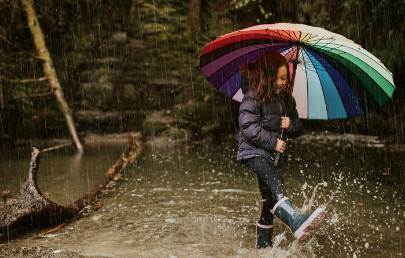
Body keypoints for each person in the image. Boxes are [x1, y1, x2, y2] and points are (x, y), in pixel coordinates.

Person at [237, 52, 326, 249]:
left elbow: (298, 128)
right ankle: (295, 220)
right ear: (267, 76)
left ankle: (263, 246)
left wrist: (290, 125)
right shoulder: (253, 96)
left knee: (269, 200)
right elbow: (248, 127)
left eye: (284, 78)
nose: (281, 82)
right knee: (276, 185)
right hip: (253, 152)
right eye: (277, 77)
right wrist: (274, 142)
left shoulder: (287, 99)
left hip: (271, 155)